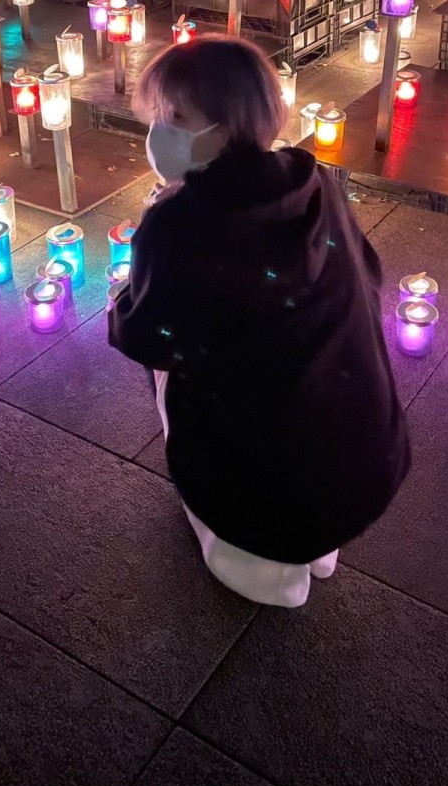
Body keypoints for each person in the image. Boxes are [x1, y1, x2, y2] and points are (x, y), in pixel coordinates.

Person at [108, 36, 410, 609]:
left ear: (228, 126)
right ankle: (315, 547)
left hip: (268, 496)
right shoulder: (314, 184)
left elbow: (149, 333)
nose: (160, 132)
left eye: (177, 117)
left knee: (173, 377)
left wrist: (119, 308)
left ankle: (253, 558)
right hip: (368, 464)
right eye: (159, 116)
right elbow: (368, 273)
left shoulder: (181, 221)